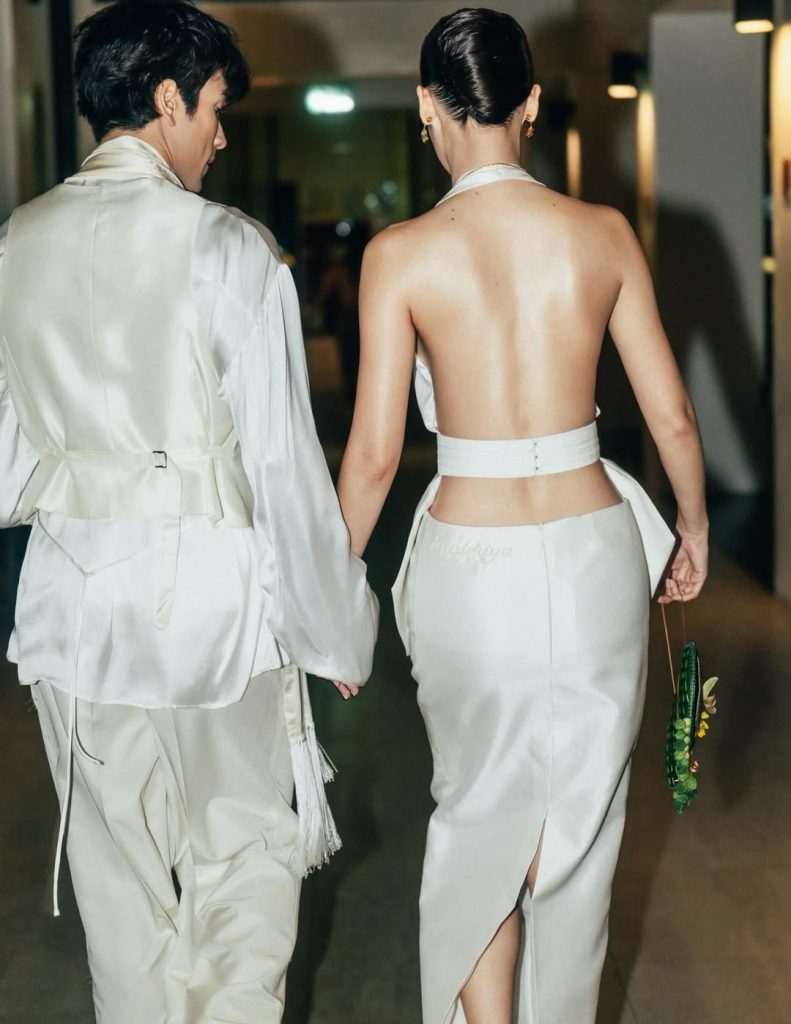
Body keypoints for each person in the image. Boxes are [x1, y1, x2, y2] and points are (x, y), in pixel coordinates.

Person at [0, 1, 377, 1021]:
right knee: (243, 859)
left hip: (71, 610)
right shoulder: (226, 247)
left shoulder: (17, 242)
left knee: (118, 889)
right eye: (213, 109)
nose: (219, 136)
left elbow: (6, 459)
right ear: (167, 97)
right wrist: (333, 626)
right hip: (210, 606)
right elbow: (283, 468)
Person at [336, 7, 707, 1023]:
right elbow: (671, 415)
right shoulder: (601, 234)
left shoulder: (400, 253)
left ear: (426, 106)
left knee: (479, 815)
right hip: (594, 554)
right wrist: (690, 526)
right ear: (532, 104)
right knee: (577, 829)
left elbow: (373, 458)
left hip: (471, 565)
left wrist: (328, 596)